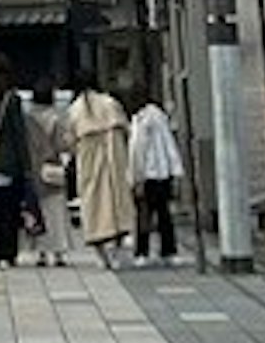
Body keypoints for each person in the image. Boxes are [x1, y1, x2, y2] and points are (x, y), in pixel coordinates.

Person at [70, 73, 133, 268]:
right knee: (116, 201)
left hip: (89, 155)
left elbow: (70, 139)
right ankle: (117, 249)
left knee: (94, 203)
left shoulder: (76, 109)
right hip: (113, 153)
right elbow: (126, 129)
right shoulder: (110, 103)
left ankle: (103, 255)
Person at [0, 71, 35, 272]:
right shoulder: (12, 100)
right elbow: (19, 133)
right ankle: (10, 253)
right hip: (11, 162)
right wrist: (27, 165)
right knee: (11, 211)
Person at [128, 88, 186, 265]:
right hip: (163, 173)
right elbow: (170, 145)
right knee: (164, 215)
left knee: (144, 215)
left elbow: (136, 151)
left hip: (147, 174)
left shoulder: (141, 120)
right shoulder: (160, 118)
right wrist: (176, 170)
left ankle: (142, 252)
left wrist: (134, 177)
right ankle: (168, 251)